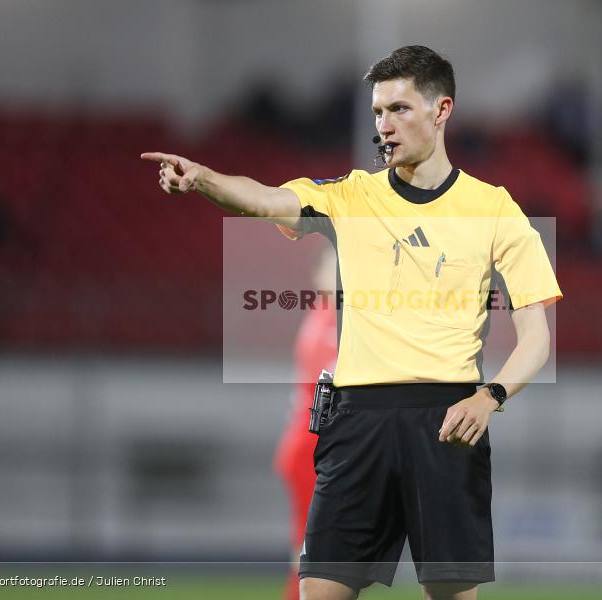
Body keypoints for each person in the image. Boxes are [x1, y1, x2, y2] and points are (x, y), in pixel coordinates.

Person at [142, 45, 562, 600]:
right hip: (356, 420)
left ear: (442, 111)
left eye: (399, 110)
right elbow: (266, 201)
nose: (384, 126)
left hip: (448, 422)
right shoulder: (350, 196)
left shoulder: (494, 209)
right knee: (318, 592)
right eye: (378, 113)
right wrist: (204, 179)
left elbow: (537, 340)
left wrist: (490, 397)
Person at [273, 245, 338, 600]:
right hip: (314, 446)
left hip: (308, 443)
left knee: (313, 546)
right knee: (315, 549)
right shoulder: (330, 321)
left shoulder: (325, 315)